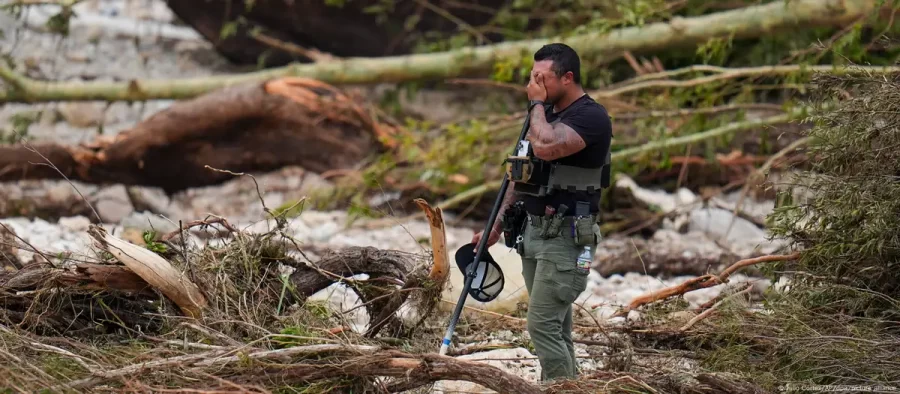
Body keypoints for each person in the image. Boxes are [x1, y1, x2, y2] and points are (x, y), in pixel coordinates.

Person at [472, 42, 613, 381]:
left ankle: (556, 388)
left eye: (542, 78)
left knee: (542, 324)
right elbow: (519, 175)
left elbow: (547, 147)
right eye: (532, 77)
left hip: (568, 238)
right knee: (557, 327)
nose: (534, 85)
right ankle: (569, 386)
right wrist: (497, 225)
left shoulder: (591, 116)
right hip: (533, 233)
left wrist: (536, 104)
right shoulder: (543, 115)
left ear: (567, 78)